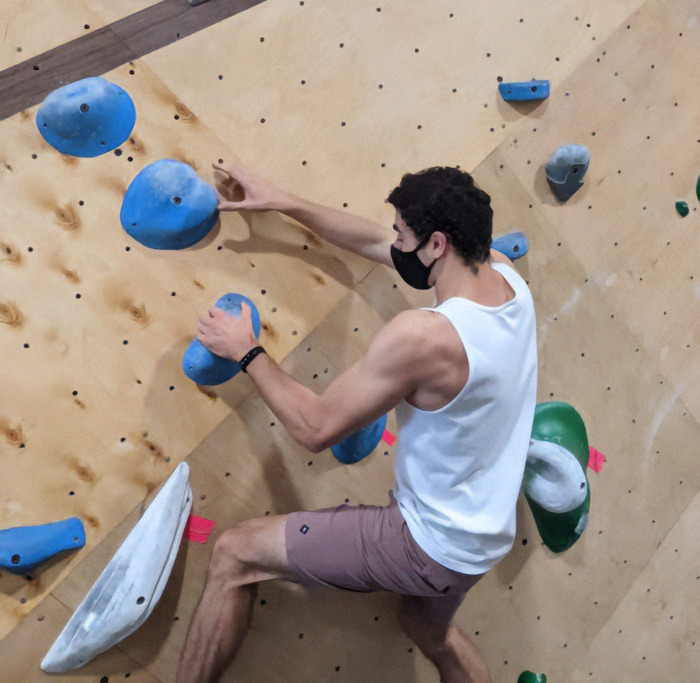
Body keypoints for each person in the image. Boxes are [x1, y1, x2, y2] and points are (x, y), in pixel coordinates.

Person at [176, 163, 538, 683]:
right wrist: (283, 201)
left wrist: (246, 351)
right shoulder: (505, 278)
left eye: (403, 233)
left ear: (436, 244)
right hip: (481, 540)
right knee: (426, 628)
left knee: (235, 554)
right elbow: (372, 240)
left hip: (427, 543)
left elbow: (315, 428)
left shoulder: (426, 337)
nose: (392, 240)